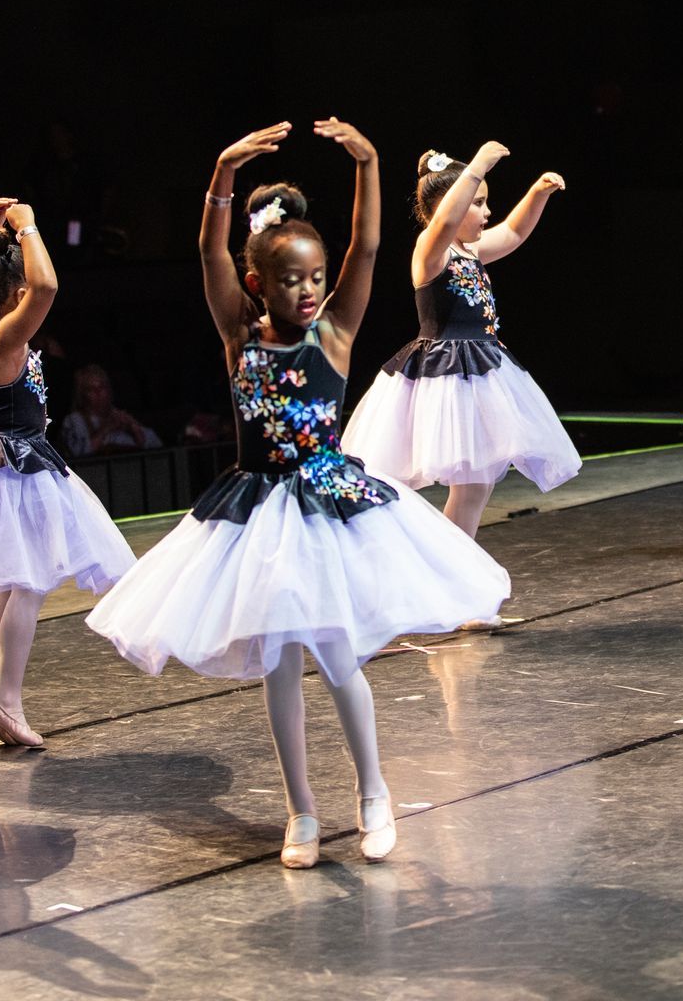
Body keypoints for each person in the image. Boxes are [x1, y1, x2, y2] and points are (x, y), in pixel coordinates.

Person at [87, 119, 508, 869]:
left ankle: (374, 793)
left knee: (339, 659)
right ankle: (301, 812)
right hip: (258, 509)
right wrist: (222, 175)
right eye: (291, 281)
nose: (308, 291)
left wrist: (368, 162)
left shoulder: (336, 333)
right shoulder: (238, 335)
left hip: (323, 505)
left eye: (315, 279)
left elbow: (366, 249)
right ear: (258, 285)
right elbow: (209, 253)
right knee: (279, 667)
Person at [0, 198, 137, 748]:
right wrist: (28, 226)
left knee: (17, 582)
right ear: (14, 295)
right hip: (20, 467)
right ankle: (5, 694)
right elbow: (48, 286)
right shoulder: (6, 337)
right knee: (30, 583)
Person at [340, 141, 581, 538]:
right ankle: (436, 557)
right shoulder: (431, 249)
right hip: (446, 374)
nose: (487, 212)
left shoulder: (470, 251)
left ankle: (458, 560)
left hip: (479, 371)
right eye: (477, 202)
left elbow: (514, 232)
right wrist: (478, 165)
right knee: (458, 485)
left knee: (476, 486)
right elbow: (443, 225)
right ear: (448, 206)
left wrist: (538, 193)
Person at [60, 364, 162, 457]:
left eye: (102, 387)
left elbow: (156, 446)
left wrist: (134, 428)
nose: (98, 392)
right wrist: (106, 428)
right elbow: (77, 452)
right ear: (82, 394)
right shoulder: (74, 420)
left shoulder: (119, 416)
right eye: (91, 389)